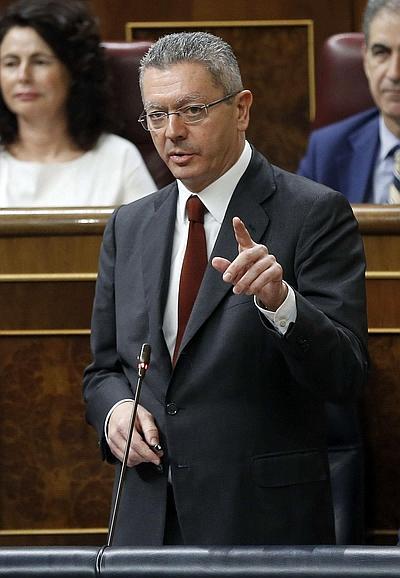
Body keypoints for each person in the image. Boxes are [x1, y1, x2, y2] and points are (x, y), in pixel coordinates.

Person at [83, 31, 368, 546]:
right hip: (147, 523)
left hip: (261, 525)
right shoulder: (128, 226)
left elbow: (345, 375)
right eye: (155, 114)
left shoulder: (313, 213)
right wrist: (114, 413)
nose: (172, 132)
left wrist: (282, 306)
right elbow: (105, 369)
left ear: (241, 109)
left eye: (192, 110)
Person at [0, 0, 155, 207]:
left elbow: (149, 237)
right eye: (11, 63)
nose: (23, 76)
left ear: (74, 71)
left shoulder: (118, 158)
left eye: (40, 62)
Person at [298, 0, 400, 204]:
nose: (394, 73)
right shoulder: (327, 150)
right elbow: (295, 231)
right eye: (381, 53)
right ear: (366, 59)